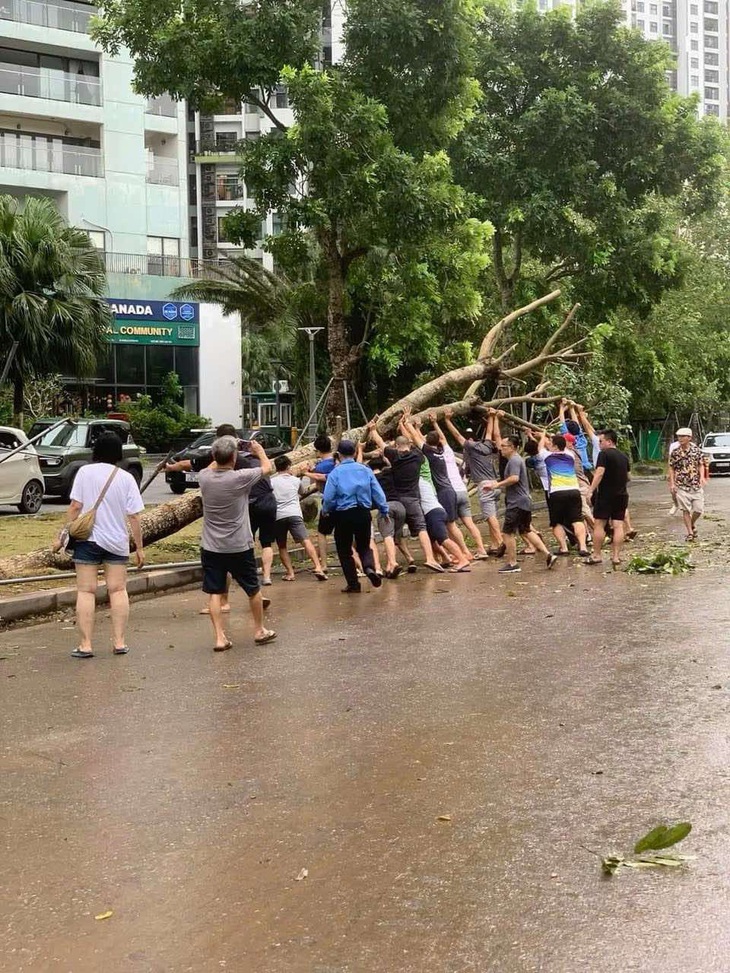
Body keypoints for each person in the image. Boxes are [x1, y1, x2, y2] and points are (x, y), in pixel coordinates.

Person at [61, 432, 145, 659]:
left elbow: (75, 506)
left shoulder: (85, 472)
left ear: (95, 450)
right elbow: (134, 516)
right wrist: (139, 547)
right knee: (118, 590)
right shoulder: (126, 478)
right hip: (116, 542)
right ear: (119, 453)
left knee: (86, 591)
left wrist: (64, 533)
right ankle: (119, 642)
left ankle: (86, 644)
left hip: (87, 540)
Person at [198, 436, 276, 649]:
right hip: (239, 545)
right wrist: (258, 450)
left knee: (214, 591)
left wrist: (223, 446)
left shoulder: (204, 477)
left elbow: (214, 463)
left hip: (212, 546)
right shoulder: (240, 477)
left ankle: (219, 637)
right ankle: (259, 630)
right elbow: (267, 468)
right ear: (234, 457)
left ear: (214, 456)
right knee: (253, 589)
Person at [368, 421, 445, 573]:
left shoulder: (394, 455)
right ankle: (430, 558)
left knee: (393, 533)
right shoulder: (418, 456)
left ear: (396, 446)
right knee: (421, 528)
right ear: (408, 445)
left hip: (397, 499)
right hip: (413, 499)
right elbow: (417, 440)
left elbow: (380, 442)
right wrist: (408, 424)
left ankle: (392, 562)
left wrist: (373, 430)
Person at [399, 408, 472, 562]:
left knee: (450, 526)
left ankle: (464, 553)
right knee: (448, 525)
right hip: (450, 489)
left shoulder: (428, 453)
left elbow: (413, 438)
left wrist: (407, 420)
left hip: (444, 492)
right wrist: (420, 427)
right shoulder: (442, 450)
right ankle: (456, 553)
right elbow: (421, 438)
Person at [322, 439, 389, 593]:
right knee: (364, 546)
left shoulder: (335, 473)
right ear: (354, 453)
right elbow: (377, 492)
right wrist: (384, 510)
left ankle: (353, 583)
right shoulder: (365, 470)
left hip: (343, 515)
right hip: (363, 513)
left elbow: (329, 497)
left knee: (344, 550)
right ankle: (369, 568)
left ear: (338, 454)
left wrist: (326, 510)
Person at [484, 436, 557, 574]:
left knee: (507, 533)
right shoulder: (514, 460)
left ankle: (512, 563)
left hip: (517, 502)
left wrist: (496, 485)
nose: (501, 448)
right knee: (526, 530)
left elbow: (514, 478)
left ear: (512, 447)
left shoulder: (514, 460)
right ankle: (548, 554)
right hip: (524, 501)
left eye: (504, 446)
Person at [443, 408, 505, 556]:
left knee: (490, 516)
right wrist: (491, 416)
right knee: (492, 516)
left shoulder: (470, 447)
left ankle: (502, 542)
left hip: (485, 486)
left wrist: (447, 420)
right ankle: (495, 544)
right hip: (495, 484)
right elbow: (490, 433)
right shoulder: (487, 445)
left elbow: (456, 435)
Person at [427, 412, 490, 559]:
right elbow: (442, 437)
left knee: (451, 525)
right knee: (470, 523)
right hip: (463, 490)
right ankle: (481, 549)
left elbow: (429, 441)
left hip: (451, 493)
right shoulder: (448, 451)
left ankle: (463, 552)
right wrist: (436, 422)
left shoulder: (433, 456)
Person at [271, 455, 328, 581]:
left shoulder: (272, 482)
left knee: (282, 546)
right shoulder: (295, 481)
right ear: (288, 466)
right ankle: (318, 566)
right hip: (294, 514)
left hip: (279, 516)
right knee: (305, 540)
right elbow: (302, 493)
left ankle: (290, 573)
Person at [537, 432, 589, 556]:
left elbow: (540, 447)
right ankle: (583, 547)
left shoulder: (547, 456)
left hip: (557, 492)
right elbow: (561, 444)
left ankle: (564, 548)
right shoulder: (570, 455)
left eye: (550, 444)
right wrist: (551, 437)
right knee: (577, 519)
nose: (548, 445)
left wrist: (543, 434)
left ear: (555, 447)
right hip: (573, 490)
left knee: (556, 522)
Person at [587, 429, 631, 567]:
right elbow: (629, 477)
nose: (599, 444)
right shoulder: (624, 457)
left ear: (609, 441)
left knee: (599, 524)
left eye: (601, 441)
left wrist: (590, 490)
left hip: (606, 495)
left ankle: (597, 555)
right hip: (622, 495)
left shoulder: (603, 454)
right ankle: (616, 556)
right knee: (618, 525)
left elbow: (599, 473)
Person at [668, 427, 709, 541]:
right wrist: (672, 483)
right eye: (679, 436)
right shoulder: (675, 452)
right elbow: (671, 468)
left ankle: (691, 523)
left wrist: (702, 477)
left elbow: (700, 464)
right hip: (681, 484)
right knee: (685, 510)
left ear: (689, 438)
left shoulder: (696, 450)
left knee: (698, 510)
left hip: (695, 484)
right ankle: (690, 533)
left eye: (683, 436)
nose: (680, 439)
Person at [306, 435, 337, 569]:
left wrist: (308, 471)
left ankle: (323, 564)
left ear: (318, 451)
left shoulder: (320, 467)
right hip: (344, 502)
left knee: (322, 533)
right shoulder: (337, 462)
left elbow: (317, 485)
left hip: (329, 502)